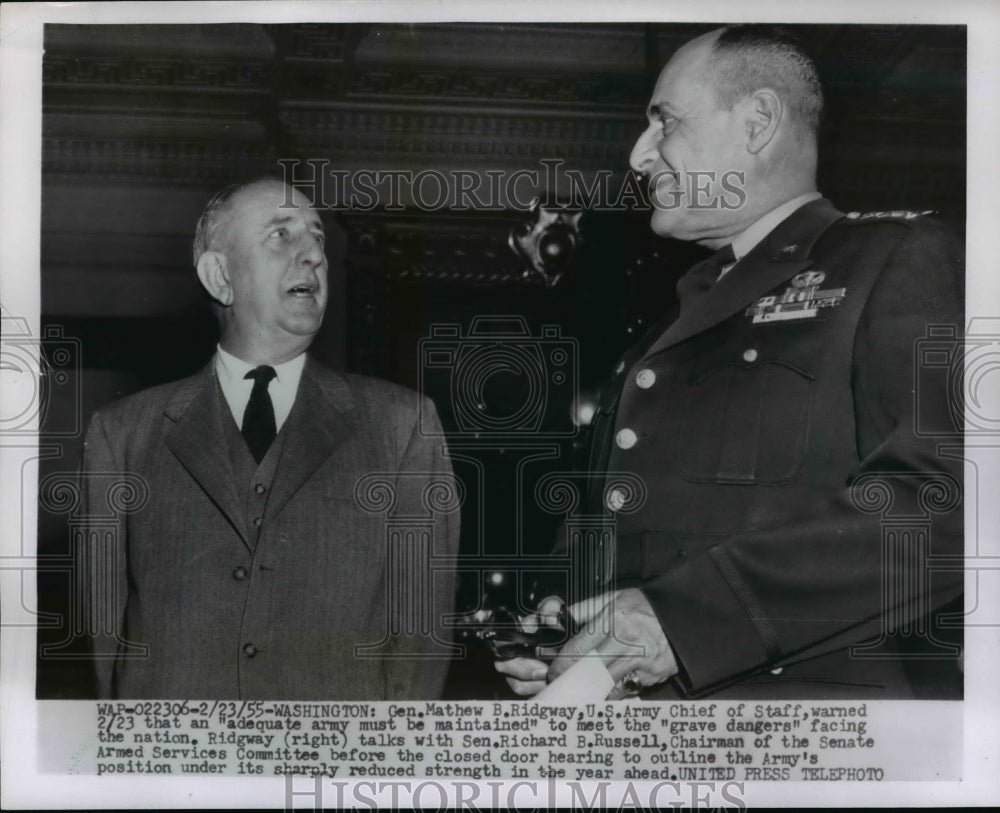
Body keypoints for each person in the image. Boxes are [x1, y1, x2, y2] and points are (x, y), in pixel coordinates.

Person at [497, 24, 964, 700]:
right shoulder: (681, 311)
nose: (638, 155)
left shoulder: (895, 259)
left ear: (758, 123)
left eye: (665, 122)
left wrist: (680, 624)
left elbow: (942, 506)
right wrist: (571, 614)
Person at [81, 178, 459, 699]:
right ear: (220, 276)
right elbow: (107, 647)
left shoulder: (403, 426)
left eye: (318, 238)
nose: (312, 256)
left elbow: (420, 643)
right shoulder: (122, 433)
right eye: (281, 235)